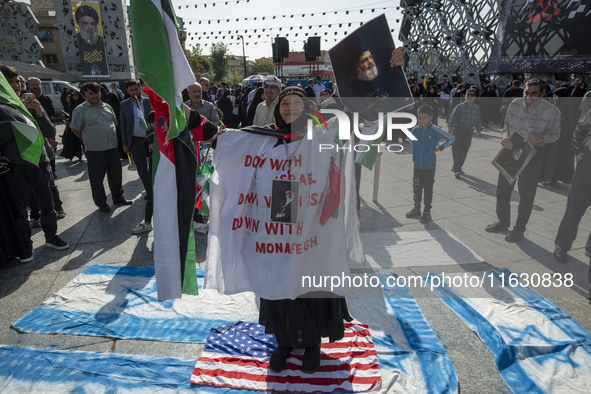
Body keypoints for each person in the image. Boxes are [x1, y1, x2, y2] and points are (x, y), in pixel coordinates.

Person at [0, 66, 69, 263]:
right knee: (20, 210)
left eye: (18, 82)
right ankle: (25, 247)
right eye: (10, 82)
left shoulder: (30, 105)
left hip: (41, 161)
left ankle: (51, 237)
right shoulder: (3, 107)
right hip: (15, 166)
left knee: (47, 204)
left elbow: (50, 132)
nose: (16, 86)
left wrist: (39, 113)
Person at [485, 79, 560, 242]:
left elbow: (556, 135)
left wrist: (540, 138)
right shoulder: (514, 104)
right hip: (510, 150)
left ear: (543, 93)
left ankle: (519, 230)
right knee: (503, 190)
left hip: (532, 155)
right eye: (527, 92)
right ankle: (502, 221)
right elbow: (505, 125)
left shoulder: (552, 111)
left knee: (526, 195)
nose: (529, 96)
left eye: (534, 93)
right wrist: (504, 137)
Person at [70, 82, 132, 212]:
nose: (94, 96)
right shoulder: (80, 110)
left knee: (116, 175)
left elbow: (114, 124)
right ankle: (101, 203)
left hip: (112, 148)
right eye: (90, 93)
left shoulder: (107, 107)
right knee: (97, 179)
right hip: (94, 151)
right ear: (84, 94)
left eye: (96, 92)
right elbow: (75, 129)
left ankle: (118, 197)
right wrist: (87, 138)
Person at [553, 106, 591, 262]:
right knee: (574, 208)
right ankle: (562, 245)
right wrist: (577, 150)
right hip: (587, 165)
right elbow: (580, 128)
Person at [406, 104, 455, 224]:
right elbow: (410, 139)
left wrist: (440, 148)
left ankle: (427, 211)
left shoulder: (435, 130)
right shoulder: (416, 130)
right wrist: (417, 150)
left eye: (424, 118)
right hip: (417, 165)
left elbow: (451, 138)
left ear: (430, 117)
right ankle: (417, 208)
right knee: (416, 188)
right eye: (419, 117)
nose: (421, 120)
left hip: (429, 166)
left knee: (428, 189)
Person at [120, 80, 153, 233]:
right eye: (131, 90)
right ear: (127, 91)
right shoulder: (124, 105)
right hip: (135, 141)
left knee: (153, 166)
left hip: (150, 140)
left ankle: (153, 189)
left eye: (136, 89)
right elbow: (123, 124)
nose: (135, 92)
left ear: (140, 89)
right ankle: (149, 190)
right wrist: (125, 143)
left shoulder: (148, 102)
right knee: (141, 168)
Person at [447, 87, 482, 178]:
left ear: (475, 97)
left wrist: (479, 131)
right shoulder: (459, 107)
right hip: (458, 131)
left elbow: (478, 120)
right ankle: (457, 169)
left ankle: (457, 167)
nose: (470, 96)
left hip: (469, 132)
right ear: (465, 96)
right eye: (468, 94)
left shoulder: (476, 108)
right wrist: (450, 130)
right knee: (457, 150)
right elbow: (452, 118)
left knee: (464, 151)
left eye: (472, 95)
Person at [74, 5, 108, 76]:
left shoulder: (102, 41)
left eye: (93, 24)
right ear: (79, 24)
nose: (90, 27)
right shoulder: (75, 40)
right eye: (85, 23)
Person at [60, 88, 85, 161]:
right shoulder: (72, 103)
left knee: (84, 142)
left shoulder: (84, 102)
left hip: (84, 125)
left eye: (76, 95)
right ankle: (79, 155)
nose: (74, 97)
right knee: (75, 141)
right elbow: (71, 114)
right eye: (72, 95)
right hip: (75, 125)